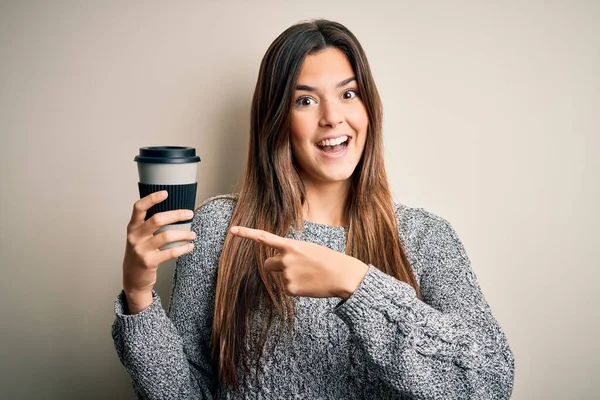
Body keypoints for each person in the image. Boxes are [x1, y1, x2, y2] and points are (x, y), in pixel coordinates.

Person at [112, 19, 515, 399]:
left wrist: (358, 283)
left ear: (369, 108)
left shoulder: (426, 238)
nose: (332, 117)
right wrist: (138, 294)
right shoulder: (221, 230)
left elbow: (488, 381)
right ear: (277, 120)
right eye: (305, 100)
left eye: (348, 93)